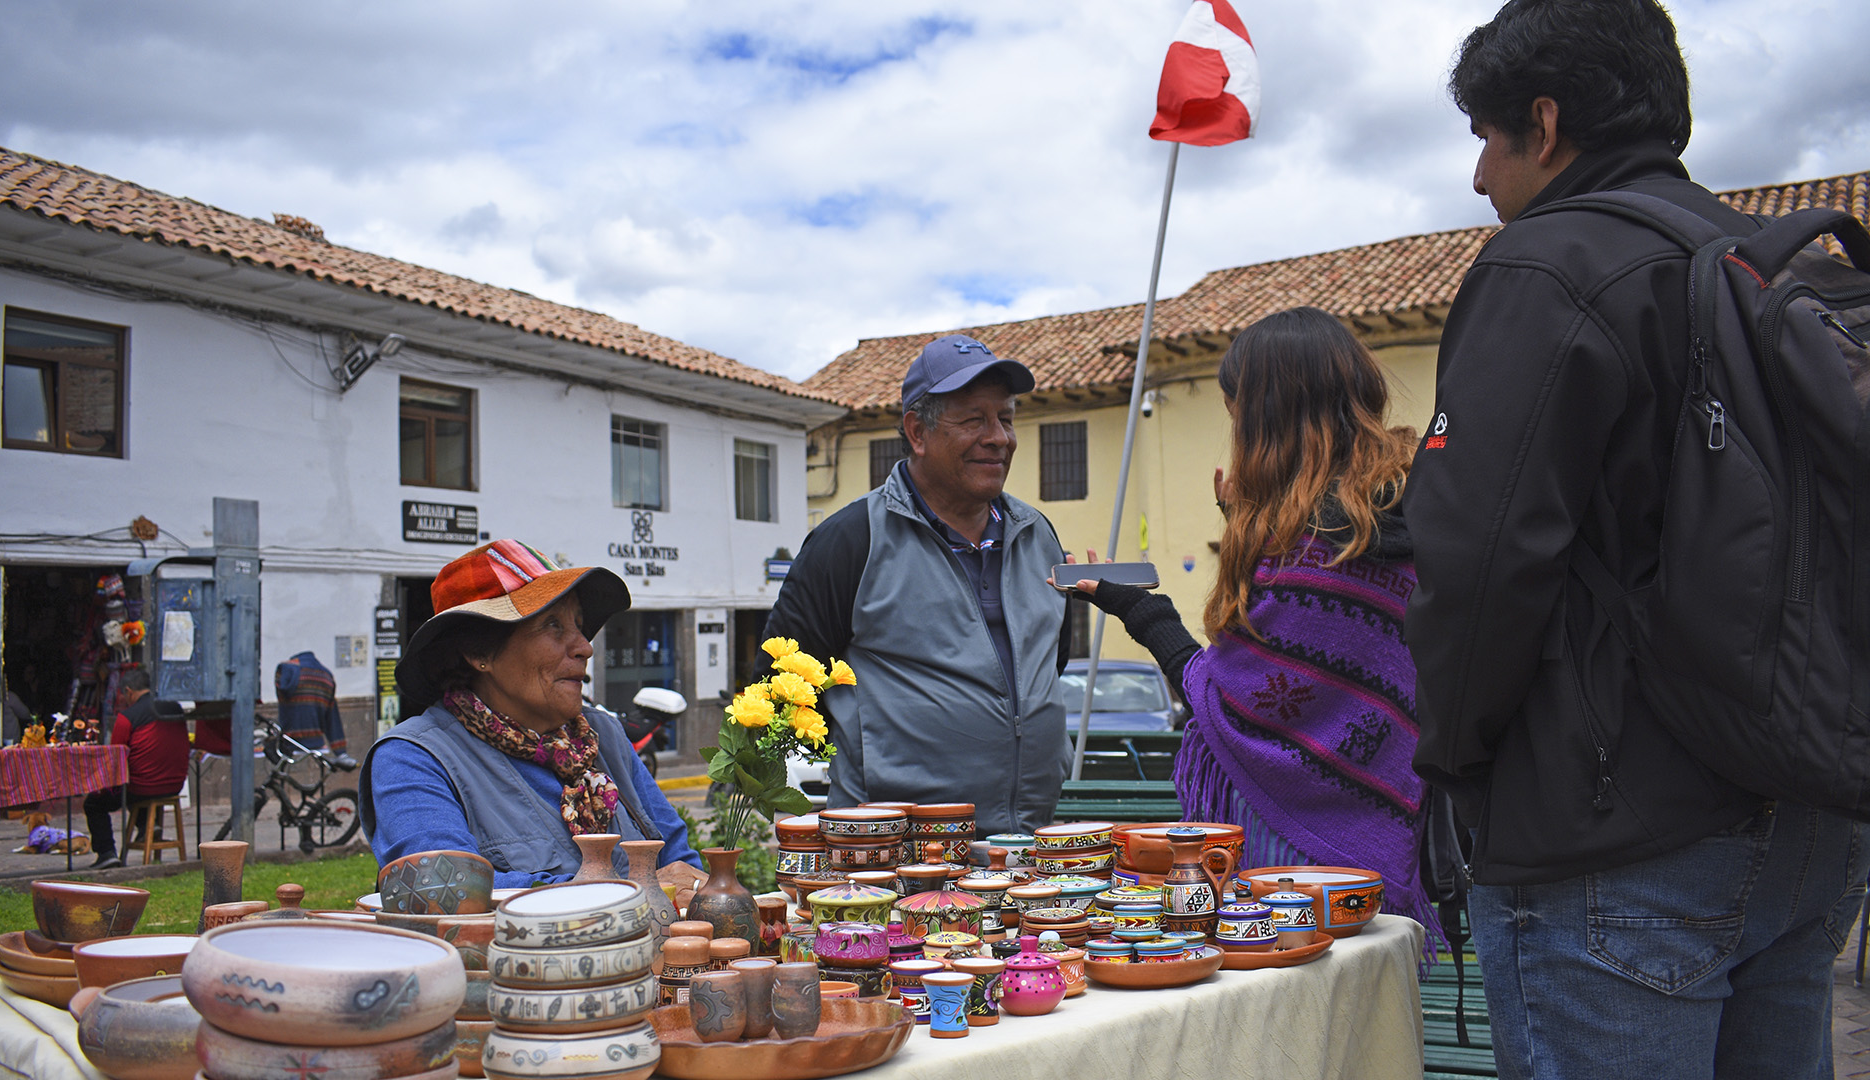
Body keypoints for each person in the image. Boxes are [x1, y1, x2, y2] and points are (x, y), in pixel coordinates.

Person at [1402, 2, 1870, 1075]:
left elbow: (1480, 566)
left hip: (1617, 842)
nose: (1479, 179)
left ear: (1546, 122)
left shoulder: (1551, 264)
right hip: (1805, 823)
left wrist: (1458, 771)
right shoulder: (1767, 266)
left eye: (1486, 137)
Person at [1070, 307, 1441, 946]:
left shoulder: (1307, 547)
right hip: (1379, 863)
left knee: (1286, 1020)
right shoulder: (1421, 512)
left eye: (1236, 414)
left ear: (1266, 419)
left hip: (1287, 868)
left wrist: (1138, 609)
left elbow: (1234, 698)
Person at [762, 334, 1073, 835]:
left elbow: (1048, 662)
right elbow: (780, 685)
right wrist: (868, 764)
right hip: (895, 854)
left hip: (1023, 846)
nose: (1000, 437)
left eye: (1006, 418)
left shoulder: (1038, 535)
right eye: (974, 420)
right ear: (917, 432)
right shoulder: (850, 540)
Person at [359, 539, 702, 890]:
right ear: (479, 652)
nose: (585, 647)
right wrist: (633, 891)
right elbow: (446, 892)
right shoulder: (414, 759)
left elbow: (680, 865)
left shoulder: (603, 737)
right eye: (552, 625)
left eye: (579, 625)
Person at [81, 668, 189, 869]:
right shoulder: (175, 707)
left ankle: (106, 853)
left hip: (142, 787)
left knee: (94, 803)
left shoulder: (128, 717)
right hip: (175, 784)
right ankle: (147, 826)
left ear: (129, 691)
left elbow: (115, 758)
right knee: (138, 777)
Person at [274, 651, 357, 770]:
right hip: (317, 745)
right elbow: (332, 718)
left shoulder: (285, 669)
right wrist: (340, 751)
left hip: (288, 744)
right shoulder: (326, 676)